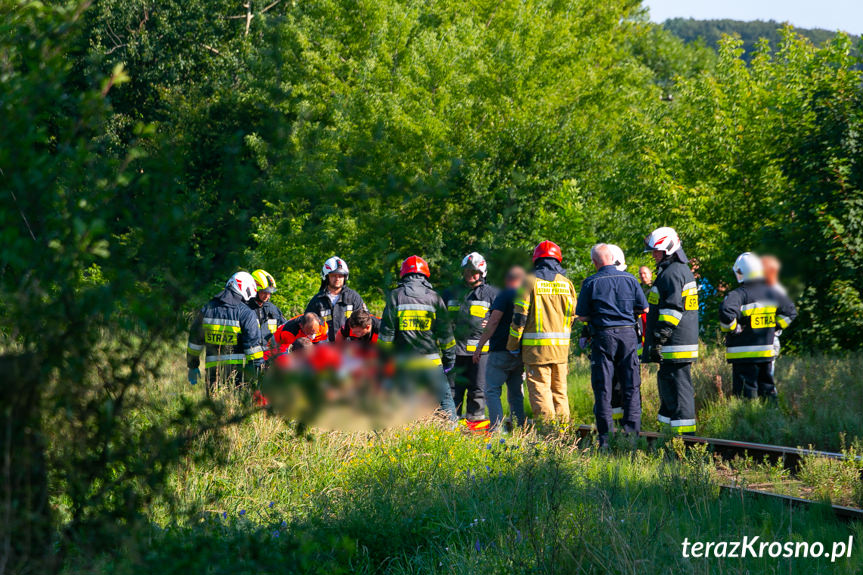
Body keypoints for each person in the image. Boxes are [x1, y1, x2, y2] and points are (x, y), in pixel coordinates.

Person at [575, 244, 649, 447]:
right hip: (627, 334)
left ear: (595, 262)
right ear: (613, 258)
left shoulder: (590, 283)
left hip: (603, 336)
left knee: (603, 388)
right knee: (631, 386)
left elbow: (581, 316)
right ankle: (632, 438)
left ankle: (605, 439)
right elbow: (644, 307)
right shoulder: (630, 279)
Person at [379, 255, 457, 419]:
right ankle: (452, 434)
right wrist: (449, 361)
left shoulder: (395, 296)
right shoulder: (435, 297)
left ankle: (408, 437)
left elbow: (386, 335)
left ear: (403, 274)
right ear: (425, 275)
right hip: (431, 362)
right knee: (445, 401)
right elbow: (446, 334)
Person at [507, 241, 576, 423]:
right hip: (561, 352)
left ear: (536, 260)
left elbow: (519, 318)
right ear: (558, 260)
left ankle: (548, 436)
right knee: (560, 393)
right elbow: (572, 317)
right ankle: (563, 435)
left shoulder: (529, 282)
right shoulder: (567, 284)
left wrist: (512, 346)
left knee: (541, 393)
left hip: (536, 352)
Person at [642, 227, 699, 435]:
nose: (653, 255)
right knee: (668, 391)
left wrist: (659, 338)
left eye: (656, 251)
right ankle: (666, 436)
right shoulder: (674, 271)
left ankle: (685, 440)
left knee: (678, 391)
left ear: (668, 249)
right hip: (674, 344)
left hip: (675, 344)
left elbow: (672, 310)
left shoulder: (673, 273)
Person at [720, 253, 797, 400]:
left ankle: (748, 421)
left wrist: (734, 328)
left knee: (745, 397)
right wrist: (774, 327)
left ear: (741, 272)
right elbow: (790, 312)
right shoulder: (772, 293)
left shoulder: (738, 295)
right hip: (765, 354)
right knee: (767, 393)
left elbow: (726, 312)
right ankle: (770, 419)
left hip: (743, 356)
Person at [442, 252, 499, 427]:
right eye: (467, 272)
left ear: (482, 272)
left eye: (474, 272)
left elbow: (501, 320)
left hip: (480, 354)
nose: (470, 276)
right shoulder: (451, 293)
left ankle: (475, 429)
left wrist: (491, 322)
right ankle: (451, 428)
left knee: (478, 391)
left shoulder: (492, 294)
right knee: (452, 392)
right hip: (454, 352)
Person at [186, 271, 264, 395]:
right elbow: (253, 349)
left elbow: (194, 342)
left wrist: (192, 365)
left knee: (214, 408)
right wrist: (257, 373)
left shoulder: (207, 309)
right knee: (235, 410)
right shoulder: (246, 313)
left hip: (212, 373)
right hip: (239, 375)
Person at [473, 265, 527, 431]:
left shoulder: (506, 294)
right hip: (520, 352)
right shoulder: (527, 296)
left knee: (492, 391)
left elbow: (494, 321)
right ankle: (520, 431)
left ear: (508, 280)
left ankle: (496, 430)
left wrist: (479, 346)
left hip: (500, 352)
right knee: (516, 393)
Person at [305, 257, 367, 342]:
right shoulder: (317, 301)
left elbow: (365, 322)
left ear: (345, 277)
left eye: (341, 276)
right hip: (324, 349)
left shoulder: (354, 298)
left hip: (350, 348)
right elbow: (306, 327)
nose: (337, 278)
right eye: (334, 275)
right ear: (326, 277)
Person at [761, 255, 787, 376]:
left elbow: (789, 312)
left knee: (765, 376)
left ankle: (768, 394)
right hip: (770, 338)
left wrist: (775, 326)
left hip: (768, 339)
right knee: (767, 374)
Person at [248, 269, 287, 347]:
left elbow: (284, 328)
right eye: (264, 292)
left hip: (270, 356)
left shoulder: (274, 310)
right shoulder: (245, 309)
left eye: (269, 292)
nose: (267, 296)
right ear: (255, 290)